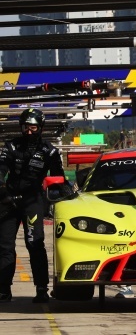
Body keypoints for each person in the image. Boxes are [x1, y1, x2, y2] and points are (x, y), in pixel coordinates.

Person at [0, 108, 64, 303]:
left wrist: (63, 194)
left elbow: (59, 178)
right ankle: (3, 289)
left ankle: (41, 288)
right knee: (4, 246)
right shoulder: (11, 146)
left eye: (33, 127)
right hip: (8, 201)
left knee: (35, 245)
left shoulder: (50, 151)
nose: (29, 132)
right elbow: (1, 169)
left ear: (40, 128)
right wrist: (2, 190)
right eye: (26, 127)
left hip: (33, 202)